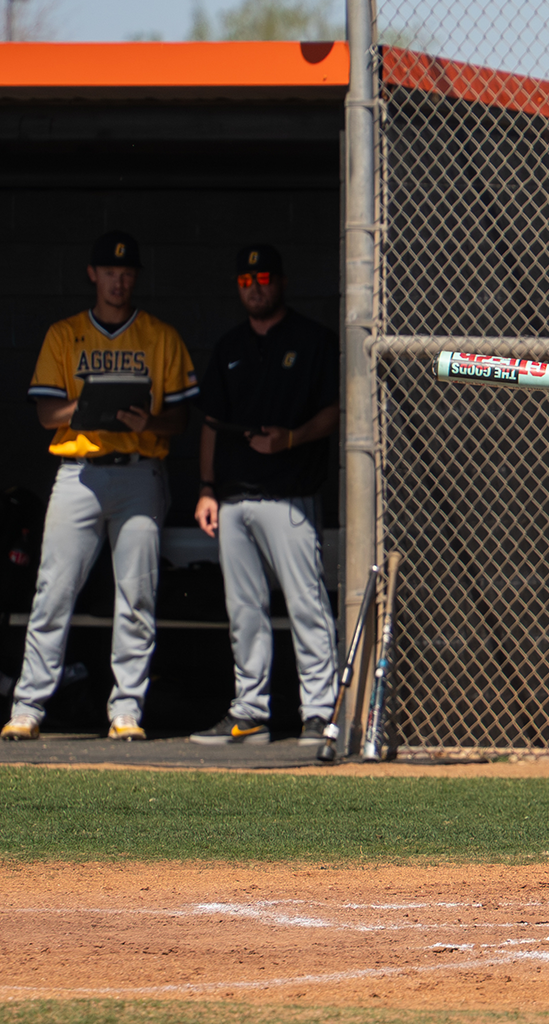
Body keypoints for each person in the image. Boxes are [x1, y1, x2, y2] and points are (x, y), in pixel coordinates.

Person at [3, 231, 196, 741]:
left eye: (127, 273)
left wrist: (145, 423)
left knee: (136, 597)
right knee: (53, 592)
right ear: (92, 274)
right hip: (79, 473)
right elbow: (47, 413)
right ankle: (27, 708)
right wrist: (88, 410)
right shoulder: (65, 334)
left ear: (136, 276)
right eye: (110, 272)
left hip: (138, 470)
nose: (119, 280)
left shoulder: (159, 335)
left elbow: (179, 420)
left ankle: (126, 710)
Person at [189, 244, 341, 746]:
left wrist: (289, 438)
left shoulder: (312, 340)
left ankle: (320, 711)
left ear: (281, 281)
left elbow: (334, 412)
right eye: (246, 281)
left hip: (289, 496)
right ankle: (250, 711)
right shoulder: (229, 346)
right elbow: (210, 422)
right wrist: (207, 488)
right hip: (233, 499)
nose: (256, 288)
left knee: (306, 605)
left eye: (264, 278)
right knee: (245, 611)